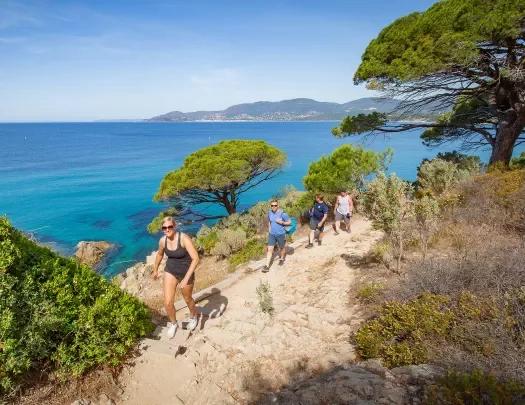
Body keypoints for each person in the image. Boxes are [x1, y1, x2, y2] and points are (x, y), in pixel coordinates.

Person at [153, 216, 200, 339]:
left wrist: (185, 279)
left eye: (170, 227)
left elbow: (195, 259)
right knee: (168, 303)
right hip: (170, 271)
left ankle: (193, 316)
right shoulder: (163, 241)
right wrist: (155, 269)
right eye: (164, 228)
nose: (167, 229)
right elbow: (159, 254)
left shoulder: (184, 239)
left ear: (175, 226)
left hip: (186, 272)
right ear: (162, 229)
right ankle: (174, 324)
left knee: (188, 299)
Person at [263, 200, 291, 272]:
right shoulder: (270, 213)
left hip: (281, 234)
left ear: (278, 206)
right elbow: (269, 221)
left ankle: (282, 258)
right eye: (272, 205)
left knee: (281, 248)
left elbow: (289, 223)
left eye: (275, 205)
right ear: (270, 206)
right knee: (269, 249)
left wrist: (281, 222)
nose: (273, 207)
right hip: (272, 234)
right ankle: (267, 266)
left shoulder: (283, 214)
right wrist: (269, 229)